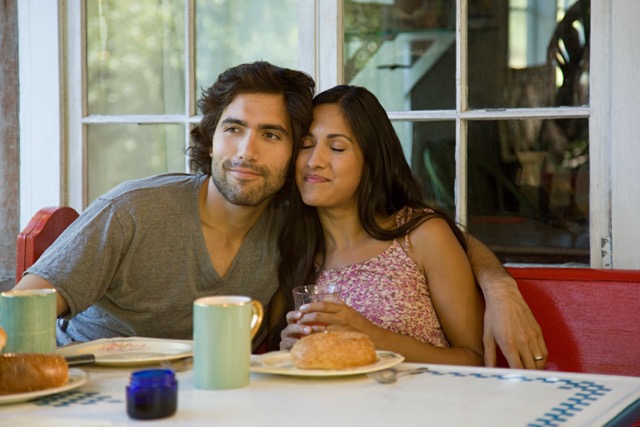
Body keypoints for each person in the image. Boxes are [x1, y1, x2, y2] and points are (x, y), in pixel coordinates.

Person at [13, 61, 545, 368]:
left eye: (272, 135)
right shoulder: (134, 210)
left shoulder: (291, 220)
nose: (246, 152)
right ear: (211, 135)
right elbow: (19, 312)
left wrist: (498, 284)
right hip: (90, 391)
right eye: (233, 129)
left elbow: (426, 228)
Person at [278, 85, 547, 368]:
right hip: (332, 410)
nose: (314, 161)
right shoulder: (296, 250)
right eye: (306, 145)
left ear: (372, 161)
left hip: (419, 408)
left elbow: (474, 360)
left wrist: (370, 337)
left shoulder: (420, 237)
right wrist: (289, 352)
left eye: (336, 147)